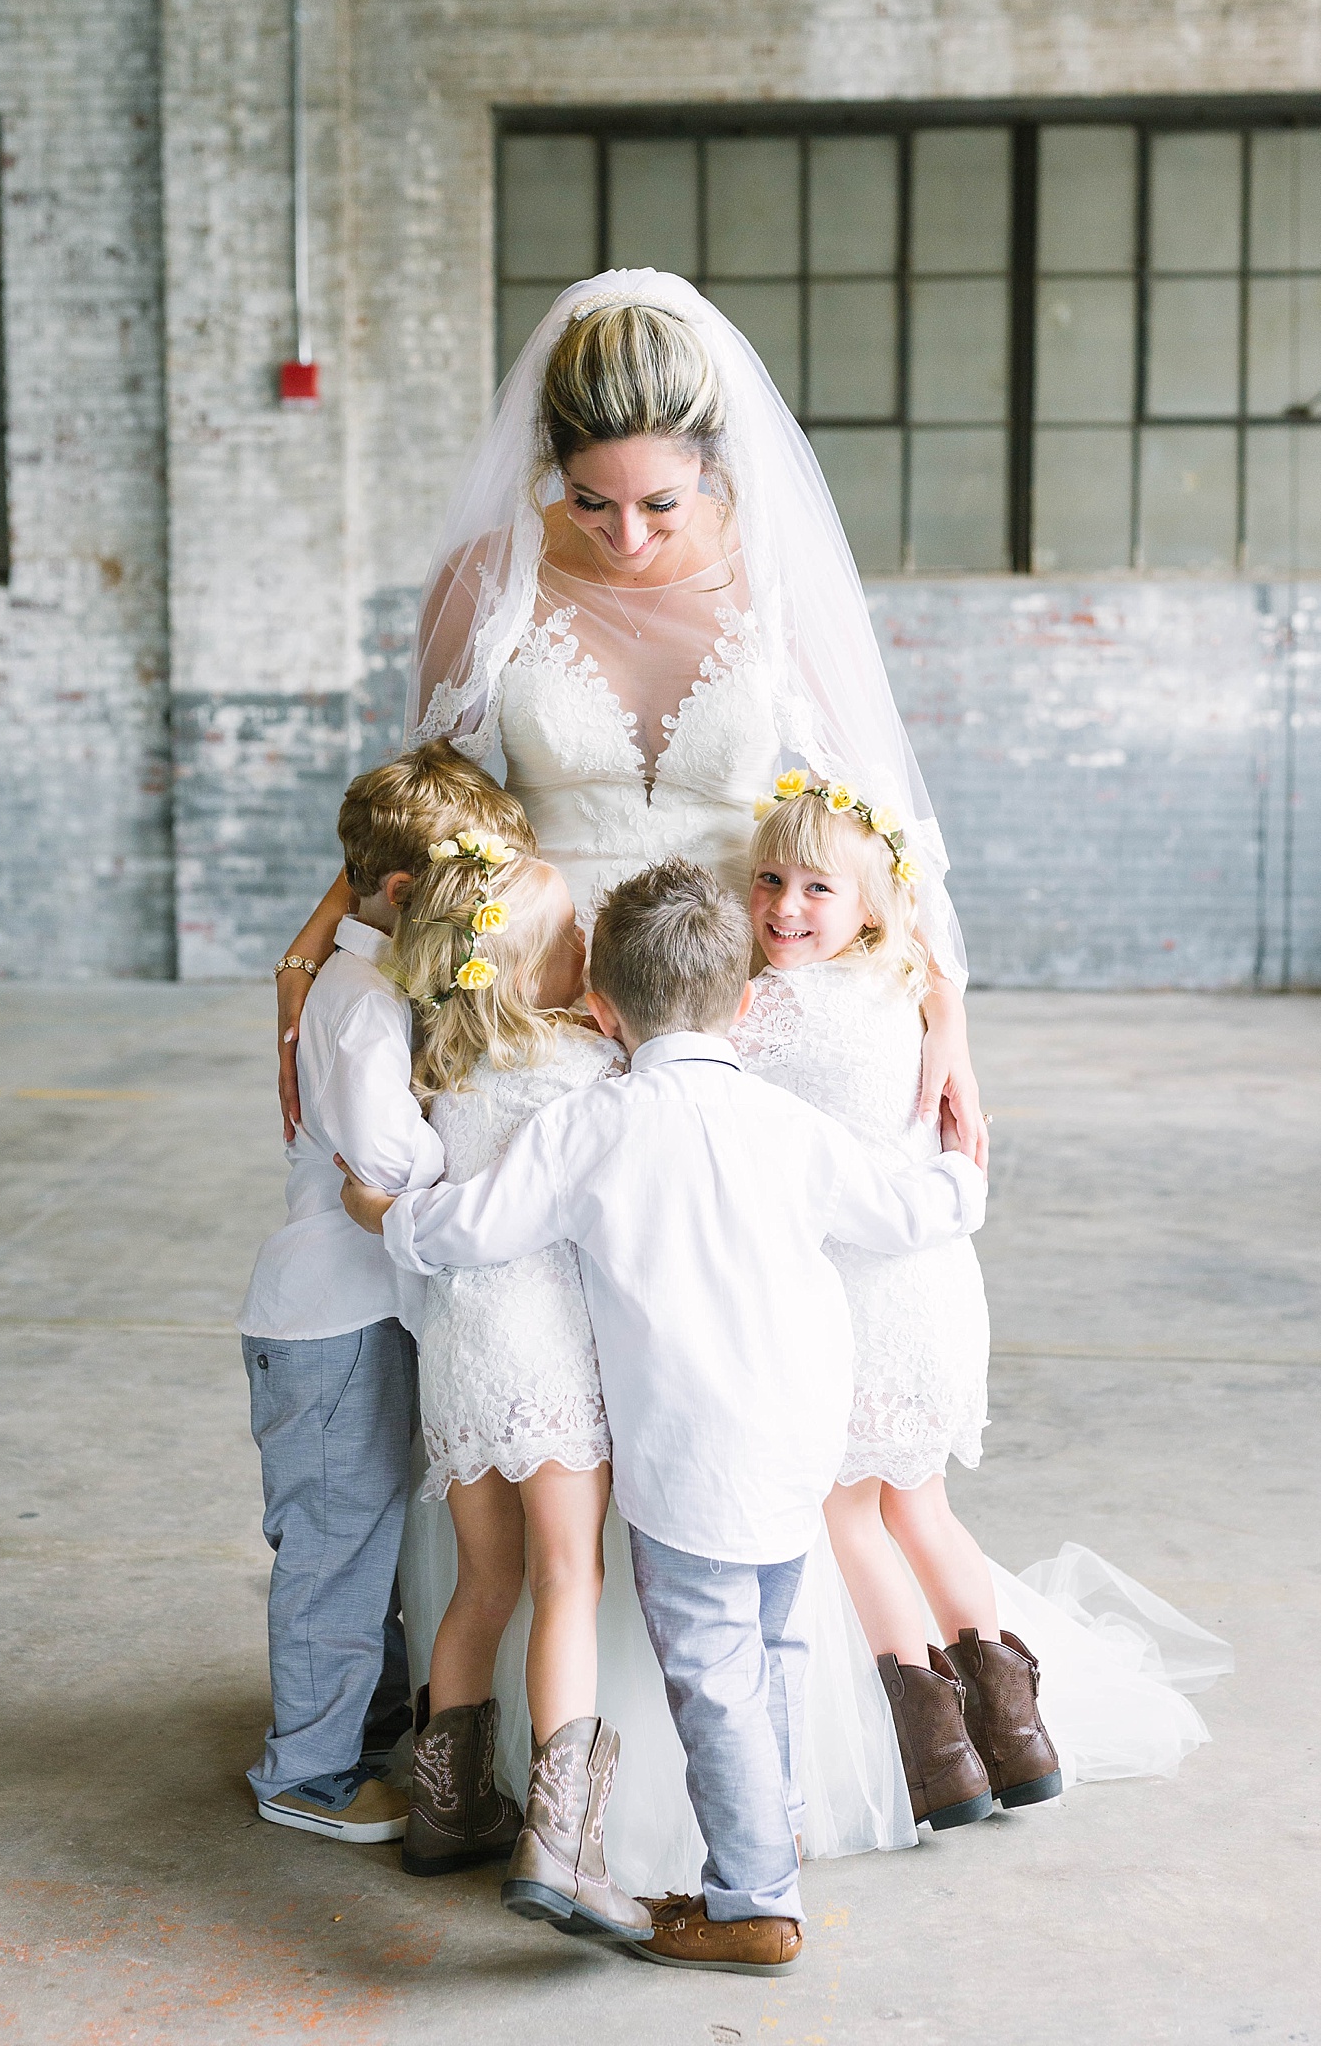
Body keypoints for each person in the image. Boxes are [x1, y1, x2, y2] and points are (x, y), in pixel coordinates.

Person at [341, 858, 987, 1975]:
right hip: (796, 1428)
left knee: (710, 1662)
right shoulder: (783, 1121)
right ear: (743, 1003)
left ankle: (749, 1901)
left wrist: (384, 1213)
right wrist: (965, 1164)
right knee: (771, 1647)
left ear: (600, 1006)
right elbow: (904, 1211)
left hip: (688, 1444)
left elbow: (467, 1230)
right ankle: (765, 1846)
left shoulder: (590, 1123)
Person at [274, 273, 987, 1181]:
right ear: (551, 465)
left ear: (711, 463)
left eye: (660, 504)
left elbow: (882, 807)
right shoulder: (486, 580)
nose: (627, 538)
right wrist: (311, 954)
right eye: (589, 502)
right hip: (544, 987)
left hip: (744, 977)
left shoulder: (779, 579)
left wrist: (948, 1004)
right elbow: (415, 810)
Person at [737, 772, 1230, 1821]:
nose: (783, 905)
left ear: (869, 900)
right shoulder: (904, 980)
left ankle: (939, 1758)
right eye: (768, 879)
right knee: (919, 1504)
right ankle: (1018, 1735)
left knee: (844, 1514)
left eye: (816, 887)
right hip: (932, 1296)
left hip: (857, 1297)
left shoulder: (771, 1010)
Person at [238, 740, 532, 1843]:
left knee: (362, 1530)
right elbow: (387, 1158)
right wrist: (472, 1154)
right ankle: (305, 1772)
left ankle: (356, 1729)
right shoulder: (358, 1000)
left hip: (356, 1310)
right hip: (328, 1315)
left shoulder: (366, 978)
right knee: (334, 1537)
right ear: (408, 893)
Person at [384, 832, 647, 1933]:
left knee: (481, 1586)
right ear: (538, 969)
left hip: (460, 1352)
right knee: (569, 1579)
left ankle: (446, 1811)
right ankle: (559, 1834)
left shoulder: (442, 1069)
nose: (589, 943)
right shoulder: (590, 1070)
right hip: (545, 1354)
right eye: (575, 937)